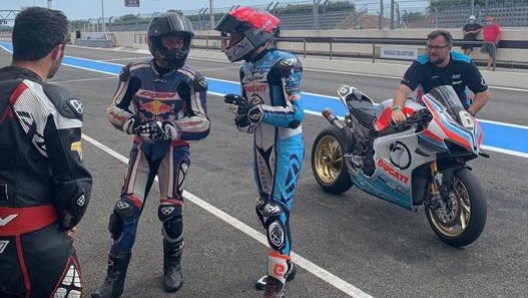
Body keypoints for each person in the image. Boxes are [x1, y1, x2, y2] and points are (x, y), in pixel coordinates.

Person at [91, 12, 210, 298]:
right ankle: (113, 281)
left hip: (174, 151)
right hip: (142, 149)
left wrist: (171, 127)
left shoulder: (192, 79)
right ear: (155, 42)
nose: (176, 47)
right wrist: (131, 122)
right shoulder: (133, 71)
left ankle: (172, 265)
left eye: (180, 41)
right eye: (170, 41)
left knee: (171, 212)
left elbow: (203, 121)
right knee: (126, 210)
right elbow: (113, 108)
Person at [0, 7, 92, 298]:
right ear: (58, 50)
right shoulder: (50, 100)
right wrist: (67, 221)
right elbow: (74, 186)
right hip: (32, 244)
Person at [215, 7, 304, 298]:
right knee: (264, 207)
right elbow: (249, 123)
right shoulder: (246, 69)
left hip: (286, 144)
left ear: (255, 33)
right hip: (261, 146)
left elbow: (294, 115)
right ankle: (286, 263)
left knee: (274, 210)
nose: (229, 40)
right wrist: (243, 115)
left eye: (233, 34)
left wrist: (255, 111)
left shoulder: (285, 64)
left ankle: (276, 285)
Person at [391, 30, 491, 124]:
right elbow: (403, 89)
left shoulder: (464, 63)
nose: (432, 51)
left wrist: (469, 113)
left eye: (437, 47)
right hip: (429, 114)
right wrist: (397, 109)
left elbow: (483, 93)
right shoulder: (420, 64)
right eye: (429, 47)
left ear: (449, 47)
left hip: (458, 114)